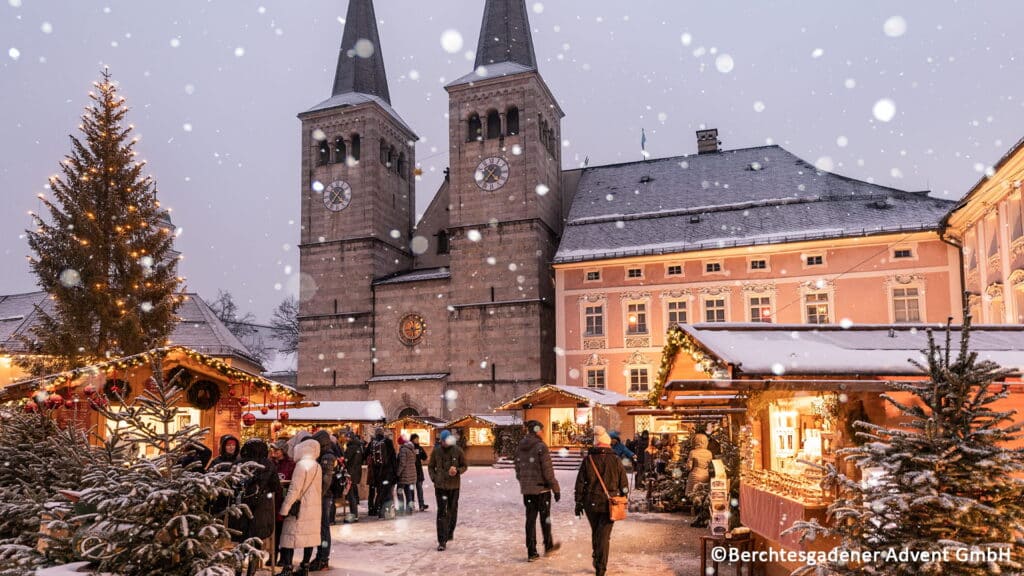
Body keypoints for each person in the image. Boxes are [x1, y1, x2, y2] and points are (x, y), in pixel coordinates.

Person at [574, 426, 628, 576]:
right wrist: (624, 498)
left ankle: (597, 556)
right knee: (604, 535)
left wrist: (578, 501)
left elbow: (580, 482)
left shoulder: (588, 459)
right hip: (610, 503)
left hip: (591, 502)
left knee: (596, 531)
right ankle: (601, 567)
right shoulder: (616, 460)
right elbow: (623, 483)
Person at [514, 420, 561, 562]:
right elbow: (548, 471)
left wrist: (525, 482)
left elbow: (518, 470)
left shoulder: (520, 447)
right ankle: (548, 545)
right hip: (542, 489)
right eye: (541, 429)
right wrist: (555, 488)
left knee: (530, 520)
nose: (543, 432)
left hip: (528, 491)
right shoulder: (541, 447)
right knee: (545, 518)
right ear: (537, 430)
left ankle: (531, 551)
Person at [234, 439, 282, 576]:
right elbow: (276, 487)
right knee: (256, 540)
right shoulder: (268, 464)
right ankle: (251, 571)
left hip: (242, 506)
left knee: (242, 540)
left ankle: (238, 571)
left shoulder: (239, 463)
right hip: (262, 507)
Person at [277, 438, 322, 576]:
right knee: (310, 537)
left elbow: (294, 490)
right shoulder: (317, 465)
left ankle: (288, 568)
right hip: (313, 507)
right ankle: (305, 566)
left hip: (300, 508)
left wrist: (284, 509)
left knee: (288, 537)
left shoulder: (301, 466)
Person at [428, 429, 467, 551]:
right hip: (440, 486)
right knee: (441, 512)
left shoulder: (457, 451)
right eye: (441, 441)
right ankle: (442, 540)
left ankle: (450, 532)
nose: (443, 443)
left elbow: (464, 465)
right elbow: (430, 466)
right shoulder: (436, 451)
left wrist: (458, 471)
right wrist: (434, 478)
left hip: (454, 486)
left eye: (445, 441)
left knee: (452, 510)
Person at [310, 430, 336, 571]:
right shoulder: (323, 455)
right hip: (322, 495)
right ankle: (321, 556)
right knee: (321, 527)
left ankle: (323, 558)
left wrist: (318, 495)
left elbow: (326, 480)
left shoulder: (327, 457)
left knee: (323, 527)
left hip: (324, 496)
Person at [366, 427, 398, 519]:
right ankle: (388, 513)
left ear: (376, 434)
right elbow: (393, 458)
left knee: (380, 492)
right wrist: (395, 472)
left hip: (377, 473)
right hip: (388, 472)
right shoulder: (388, 442)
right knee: (388, 492)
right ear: (383, 433)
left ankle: (380, 512)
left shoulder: (372, 443)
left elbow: (365, 454)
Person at [342, 432, 364, 523]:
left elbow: (348, 462)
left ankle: (354, 515)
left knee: (351, 496)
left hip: (351, 475)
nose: (346, 439)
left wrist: (348, 472)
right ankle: (355, 515)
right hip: (356, 474)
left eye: (346, 437)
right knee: (353, 495)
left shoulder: (351, 448)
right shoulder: (359, 447)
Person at [684, 433, 714, 498]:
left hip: (695, 475)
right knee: (703, 493)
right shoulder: (709, 453)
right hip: (705, 475)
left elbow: (689, 467)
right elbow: (710, 465)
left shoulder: (693, 452)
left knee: (692, 494)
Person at [396, 435, 419, 515]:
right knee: (408, 492)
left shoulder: (403, 450)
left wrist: (398, 473)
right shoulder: (411, 449)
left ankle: (401, 509)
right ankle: (409, 510)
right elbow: (414, 460)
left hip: (404, 475)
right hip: (411, 474)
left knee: (399, 491)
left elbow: (402, 463)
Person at [410, 433, 429, 511]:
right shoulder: (410, 448)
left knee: (419, 488)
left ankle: (421, 504)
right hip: (411, 470)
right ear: (412, 439)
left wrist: (421, 452)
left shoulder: (420, 448)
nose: (417, 440)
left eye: (418, 439)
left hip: (418, 471)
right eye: (416, 439)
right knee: (411, 489)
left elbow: (424, 457)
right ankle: (411, 505)